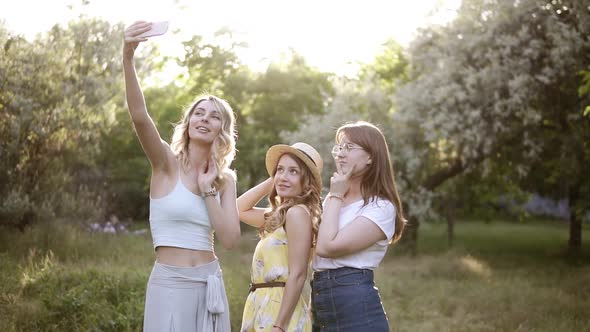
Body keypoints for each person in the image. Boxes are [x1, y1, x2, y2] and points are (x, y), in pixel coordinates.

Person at [123, 21, 240, 332]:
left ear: (221, 130)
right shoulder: (165, 164)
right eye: (199, 113)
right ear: (188, 123)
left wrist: (207, 190)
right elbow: (139, 117)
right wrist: (128, 57)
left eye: (215, 116)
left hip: (210, 283)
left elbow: (230, 240)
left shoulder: (225, 180)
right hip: (170, 285)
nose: (205, 118)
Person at [311, 121, 406, 331]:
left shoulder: (381, 207)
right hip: (320, 298)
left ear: (371, 156)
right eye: (340, 147)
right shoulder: (333, 200)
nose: (341, 154)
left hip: (355, 307)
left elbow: (326, 248)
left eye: (350, 147)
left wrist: (335, 193)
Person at [238, 142, 323, 332]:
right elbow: (238, 209)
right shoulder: (280, 215)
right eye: (280, 169)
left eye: (294, 171)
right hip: (261, 304)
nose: (284, 176)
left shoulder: (297, 214)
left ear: (306, 181)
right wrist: (275, 180)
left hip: (279, 311)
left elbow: (298, 274)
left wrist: (280, 326)